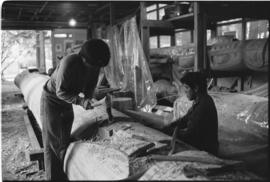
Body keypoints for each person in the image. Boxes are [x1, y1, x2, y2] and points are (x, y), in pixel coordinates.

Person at [40, 39, 110, 180]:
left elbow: (89, 87)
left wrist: (91, 99)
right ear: (83, 58)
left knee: (64, 138)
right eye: (94, 65)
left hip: (66, 102)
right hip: (52, 100)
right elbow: (61, 92)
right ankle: (54, 178)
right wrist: (82, 102)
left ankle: (68, 172)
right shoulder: (69, 63)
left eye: (98, 67)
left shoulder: (94, 66)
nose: (95, 69)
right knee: (54, 143)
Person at [169, 71, 219, 155]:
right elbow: (185, 118)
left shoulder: (203, 105)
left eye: (187, 88)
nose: (185, 91)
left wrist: (173, 132)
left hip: (206, 151)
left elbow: (190, 135)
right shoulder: (200, 100)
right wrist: (170, 126)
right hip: (200, 145)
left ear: (195, 88)